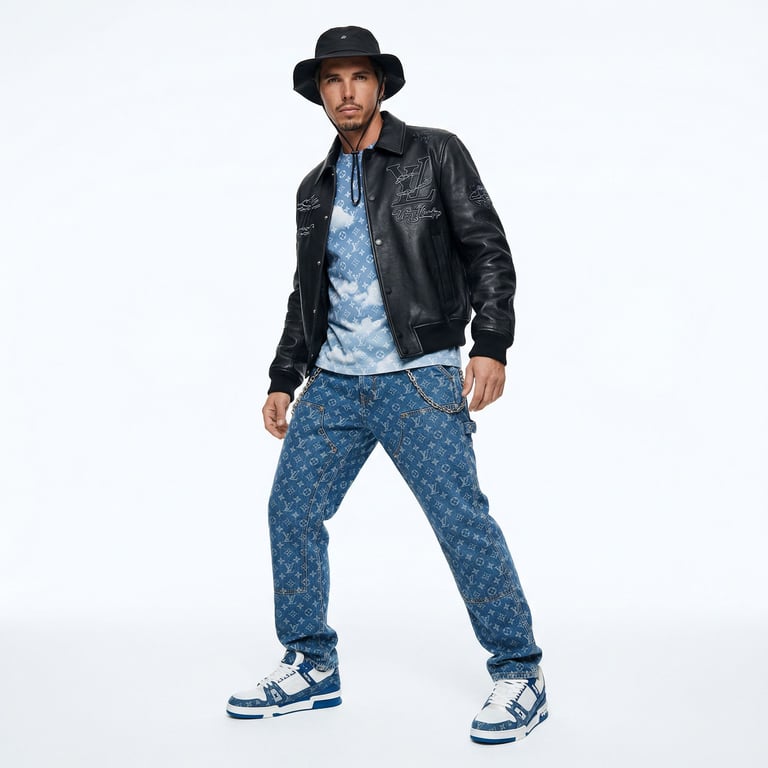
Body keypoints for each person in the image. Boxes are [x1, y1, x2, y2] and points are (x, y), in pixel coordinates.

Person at [226, 26, 547, 745]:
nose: (346, 92)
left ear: (379, 86)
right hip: (334, 384)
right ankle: (311, 663)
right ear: (319, 93)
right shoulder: (313, 189)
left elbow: (487, 249)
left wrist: (491, 343)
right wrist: (283, 376)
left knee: (460, 520)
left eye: (359, 78)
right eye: (332, 80)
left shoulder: (434, 153)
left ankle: (520, 671)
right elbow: (307, 293)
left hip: (419, 376)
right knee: (291, 512)